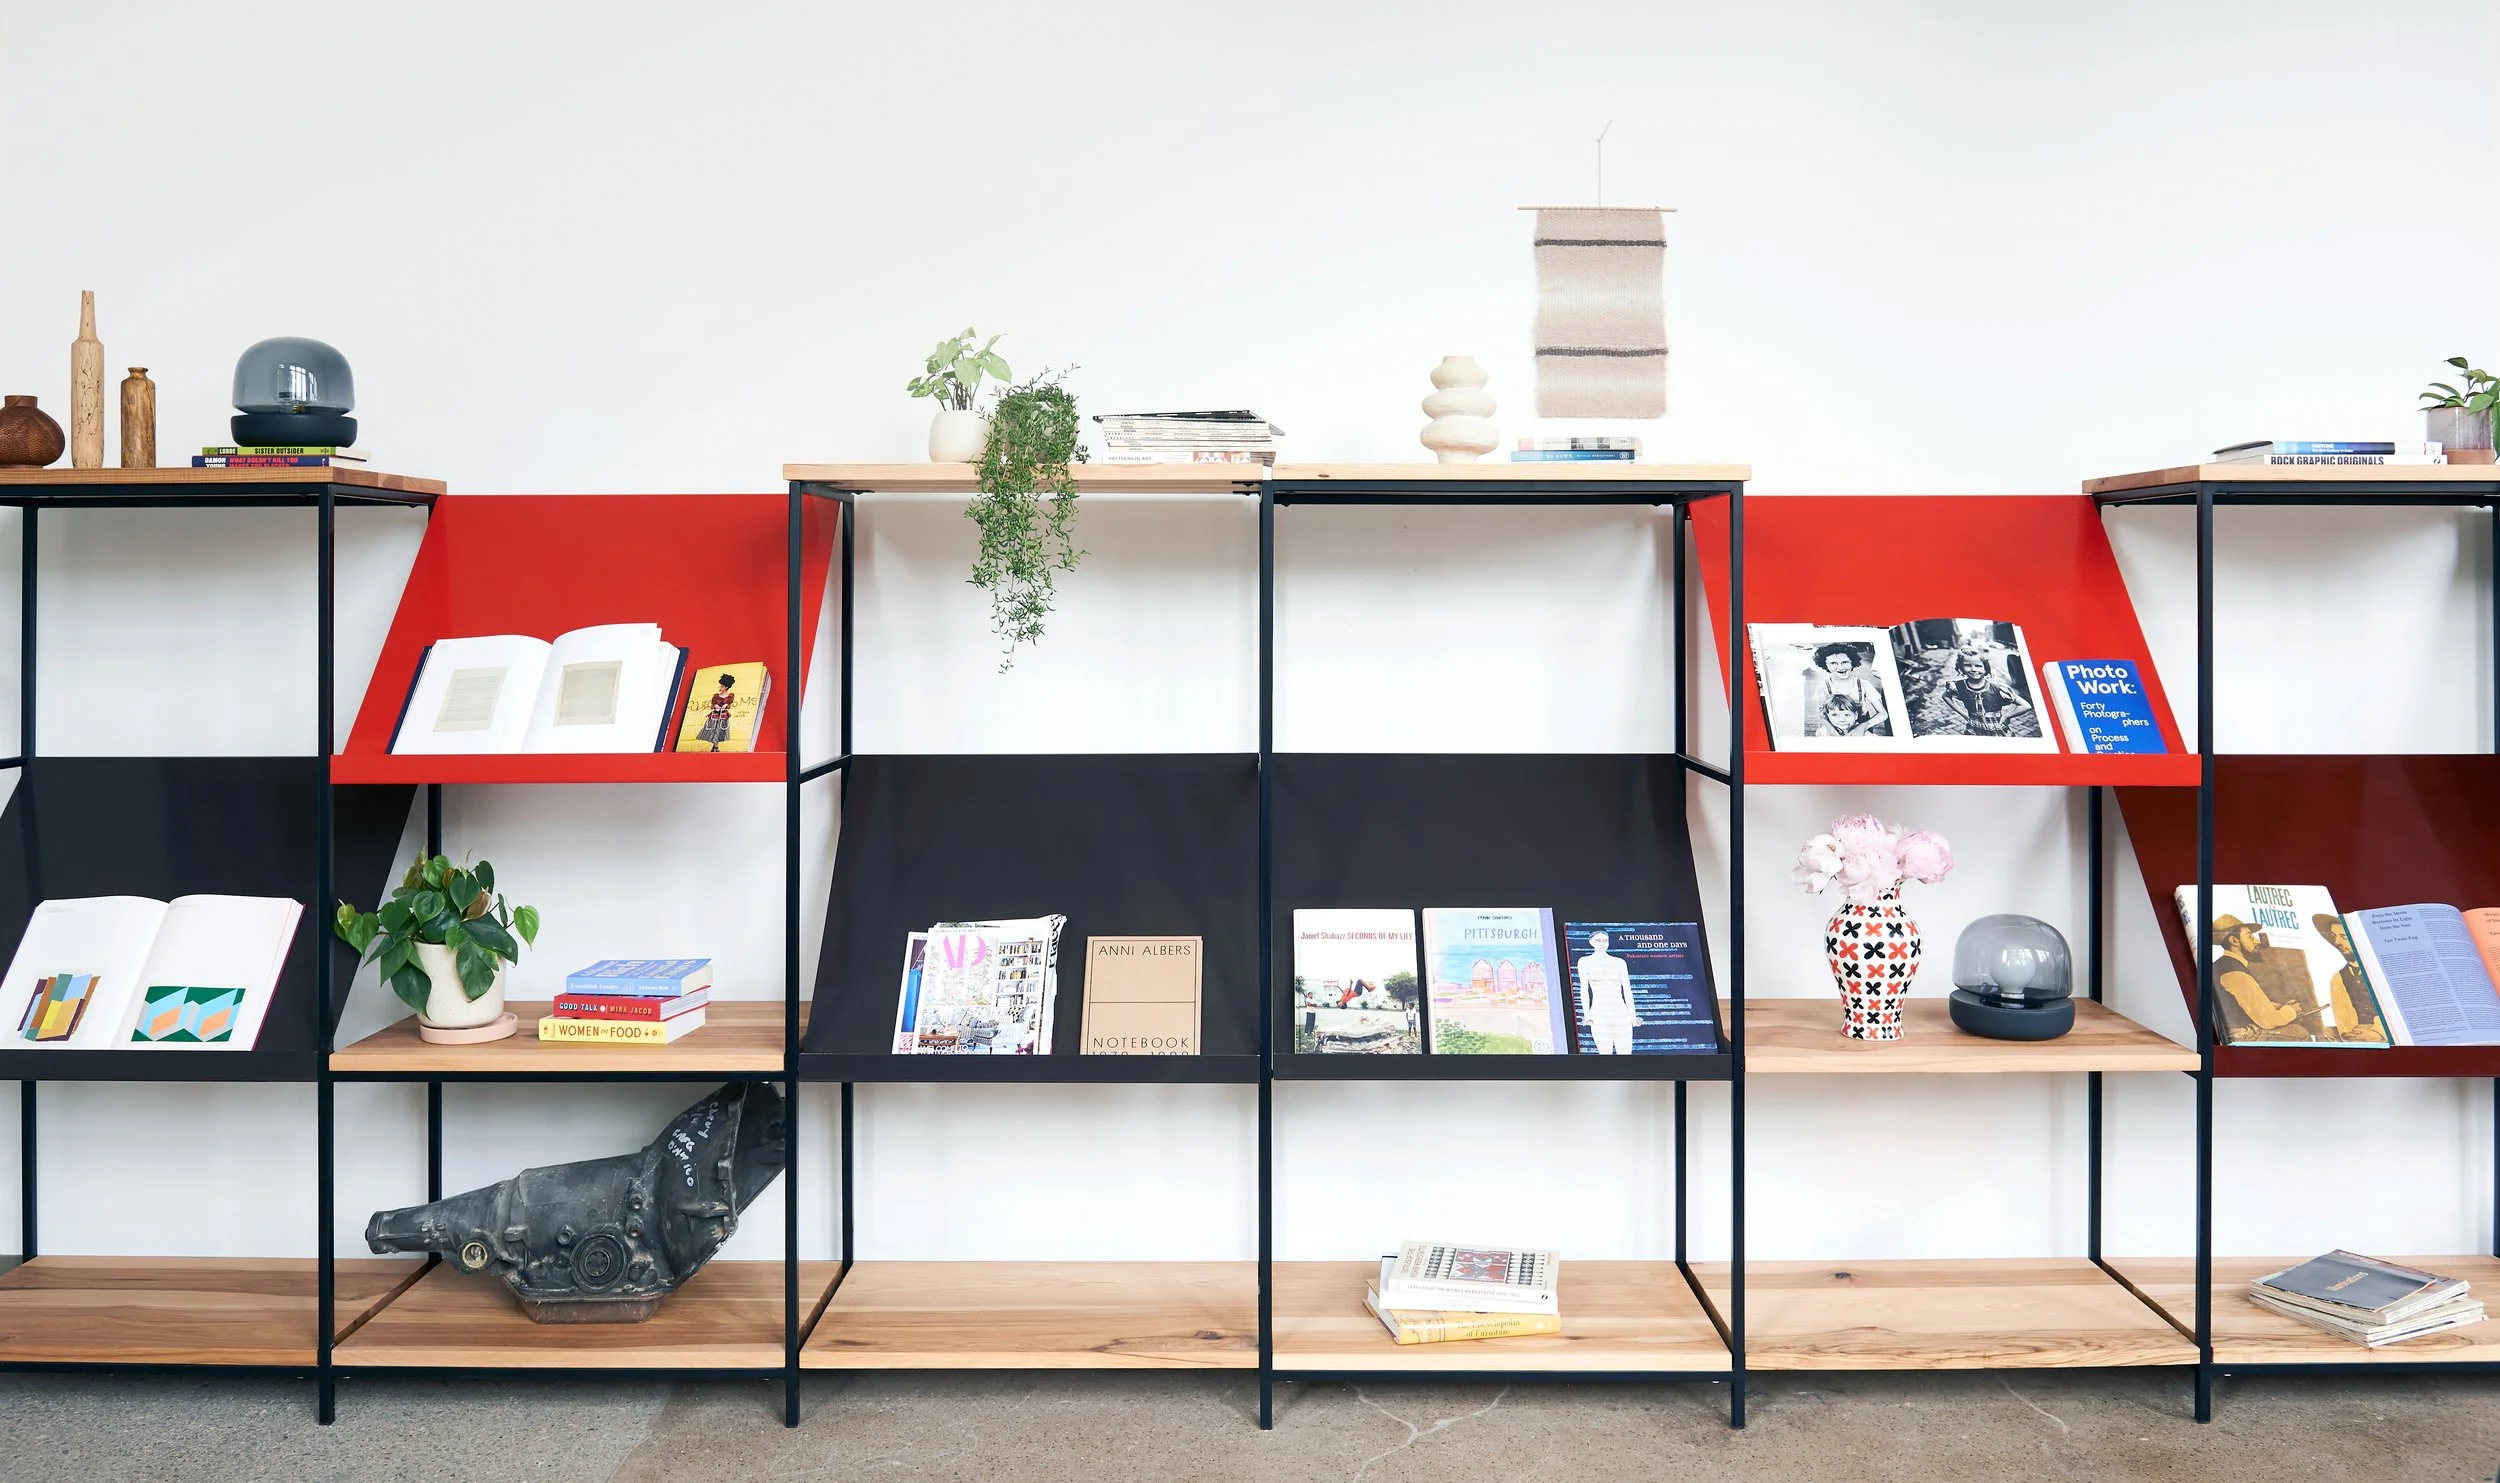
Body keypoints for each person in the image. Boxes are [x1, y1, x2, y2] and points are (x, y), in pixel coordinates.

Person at [2210, 915, 2310, 1041]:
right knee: (2300, 1033)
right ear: (2234, 941)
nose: (2257, 941)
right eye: (2250, 936)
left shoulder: (2221, 965)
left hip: (2231, 1032)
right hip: (2239, 1037)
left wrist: (2275, 1006)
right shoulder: (2235, 973)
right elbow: (2268, 1020)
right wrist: (2291, 1010)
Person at [2312, 913, 2389, 1044]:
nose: (2337, 942)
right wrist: (2351, 1035)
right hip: (2357, 1036)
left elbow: (2391, 1010)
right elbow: (2343, 1018)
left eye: (2343, 937)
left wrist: (2378, 1033)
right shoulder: (2338, 978)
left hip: (2385, 1032)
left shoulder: (2380, 971)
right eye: (2334, 937)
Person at [1936, 649, 2033, 736]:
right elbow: (1946, 696)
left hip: (1997, 730)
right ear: (1961, 667)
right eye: (1967, 665)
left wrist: (2007, 716)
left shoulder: (1997, 689)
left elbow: (2026, 705)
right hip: (1974, 730)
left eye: (1978, 666)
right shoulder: (1958, 686)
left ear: (1985, 668)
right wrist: (1963, 714)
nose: (1973, 669)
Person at [1803, 643, 1888, 737]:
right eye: (1833, 663)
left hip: (1862, 726)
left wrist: (1863, 727)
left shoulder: (1864, 685)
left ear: (1852, 662)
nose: (1840, 667)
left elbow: (1883, 714)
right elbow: (1822, 712)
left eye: (1845, 662)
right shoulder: (1823, 687)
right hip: (1834, 727)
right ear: (1825, 665)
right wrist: (1830, 729)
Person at [1575, 931, 1638, 1054]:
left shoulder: (1619, 962)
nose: (1602, 943)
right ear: (1591, 942)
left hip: (1621, 1013)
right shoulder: (1584, 962)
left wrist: (1633, 1016)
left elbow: (1627, 990)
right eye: (1598, 940)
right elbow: (1584, 989)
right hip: (1599, 1014)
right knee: (1604, 1053)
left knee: (1625, 1054)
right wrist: (1586, 1015)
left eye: (1605, 940)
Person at [695, 672, 739, 751]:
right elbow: (712, 705)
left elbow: (729, 705)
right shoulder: (716, 696)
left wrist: (725, 706)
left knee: (719, 730)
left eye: (722, 686)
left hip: (723, 716)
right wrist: (715, 706)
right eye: (720, 686)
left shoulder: (730, 696)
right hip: (715, 715)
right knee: (712, 730)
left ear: (726, 687)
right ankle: (715, 747)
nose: (720, 687)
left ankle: (715, 747)